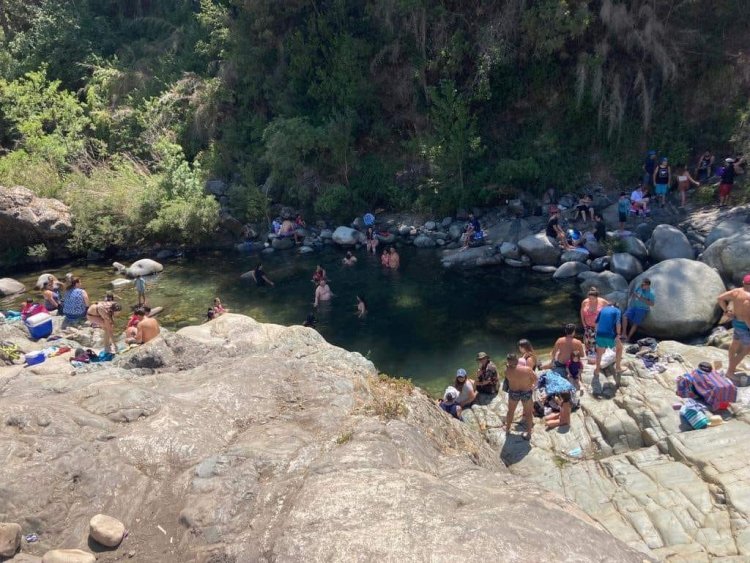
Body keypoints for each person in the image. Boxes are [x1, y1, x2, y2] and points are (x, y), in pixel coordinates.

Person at [717, 275, 750, 380]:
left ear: (743, 282)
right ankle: (730, 371)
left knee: (735, 343)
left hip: (736, 322)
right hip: (745, 326)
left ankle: (732, 365)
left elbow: (720, 298)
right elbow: (746, 315)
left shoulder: (736, 291)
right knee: (746, 350)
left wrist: (726, 311)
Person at [504, 353, 538, 440]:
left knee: (510, 411)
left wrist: (509, 366)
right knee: (528, 413)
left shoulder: (506, 371)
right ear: (517, 360)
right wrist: (531, 385)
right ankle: (529, 433)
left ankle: (507, 429)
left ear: (508, 362)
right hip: (526, 392)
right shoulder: (527, 370)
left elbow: (509, 377)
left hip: (514, 392)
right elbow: (535, 379)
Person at [594, 302, 623, 378]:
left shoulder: (603, 309)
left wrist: (597, 333)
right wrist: (618, 334)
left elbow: (596, 323)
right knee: (620, 348)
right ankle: (618, 367)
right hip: (610, 335)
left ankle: (597, 369)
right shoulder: (617, 311)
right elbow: (618, 323)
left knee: (599, 352)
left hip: (600, 334)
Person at [622, 278, 655, 342]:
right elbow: (635, 293)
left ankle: (628, 337)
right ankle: (624, 334)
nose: (642, 286)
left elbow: (652, 304)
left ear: (648, 285)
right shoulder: (640, 287)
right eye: (642, 284)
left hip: (642, 309)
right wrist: (634, 296)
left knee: (635, 323)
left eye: (644, 285)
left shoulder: (651, 293)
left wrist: (641, 298)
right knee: (624, 316)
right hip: (633, 306)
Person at [581, 287, 608, 362]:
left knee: (599, 343)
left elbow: (610, 309)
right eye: (589, 298)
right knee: (588, 342)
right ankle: (591, 356)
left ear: (597, 298)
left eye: (592, 298)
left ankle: (599, 357)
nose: (590, 300)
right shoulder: (585, 302)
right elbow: (582, 313)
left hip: (600, 326)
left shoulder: (602, 301)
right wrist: (583, 324)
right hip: (588, 326)